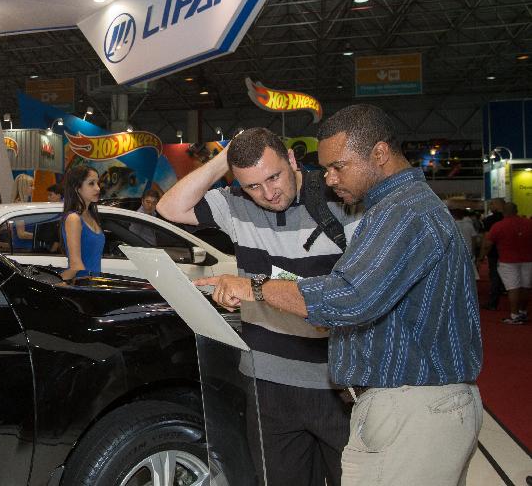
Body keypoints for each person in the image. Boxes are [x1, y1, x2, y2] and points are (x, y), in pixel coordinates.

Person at [196, 104, 482, 486]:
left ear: (379, 154)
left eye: (338, 167)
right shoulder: (393, 209)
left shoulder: (405, 212)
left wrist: (254, 287)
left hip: (416, 404)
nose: (328, 178)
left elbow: (348, 298)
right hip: (405, 400)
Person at [158, 127, 359, 486]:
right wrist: (225, 157)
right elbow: (169, 207)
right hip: (268, 384)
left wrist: (253, 288)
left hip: (338, 384)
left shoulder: (337, 198)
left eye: (274, 176)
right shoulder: (237, 205)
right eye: (252, 185)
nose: (268, 193)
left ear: (292, 159)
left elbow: (357, 292)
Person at [479, 201, 531, 324]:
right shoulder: (529, 223)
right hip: (528, 260)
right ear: (516, 210)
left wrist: (481, 257)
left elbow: (487, 244)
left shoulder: (499, 226)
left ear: (504, 212)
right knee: (525, 287)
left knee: (513, 287)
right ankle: (523, 311)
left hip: (508, 261)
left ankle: (514, 315)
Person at [60, 165, 105, 280]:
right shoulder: (74, 219)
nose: (98, 188)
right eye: (91, 183)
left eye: (97, 183)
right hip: (81, 288)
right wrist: (53, 284)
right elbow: (76, 266)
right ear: (77, 188)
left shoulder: (91, 216)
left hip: (93, 285)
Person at [480, 197, 506, 310]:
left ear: (497, 205)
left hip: (494, 253)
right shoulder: (508, 218)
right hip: (509, 254)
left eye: (491, 204)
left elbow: (487, 240)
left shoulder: (489, 220)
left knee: (494, 276)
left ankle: (493, 302)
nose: (490, 206)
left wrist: (482, 255)